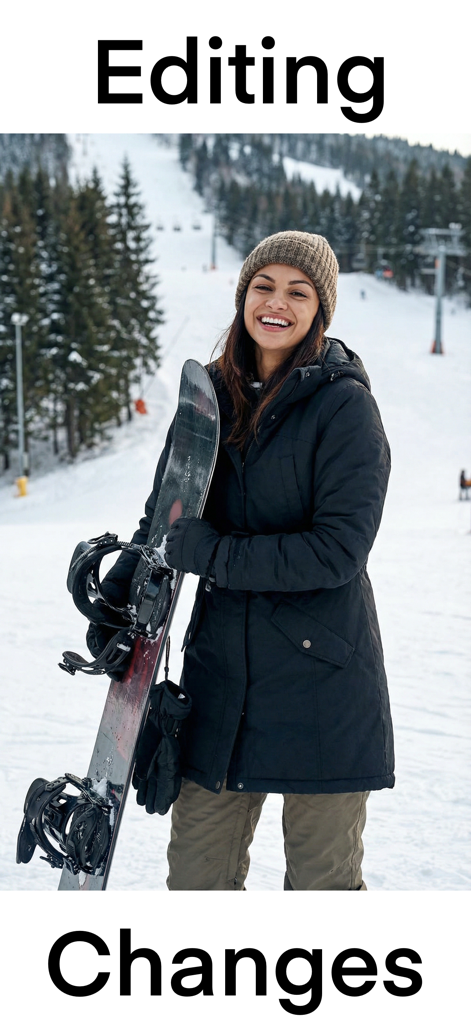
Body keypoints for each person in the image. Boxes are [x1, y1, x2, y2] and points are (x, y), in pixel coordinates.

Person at [99, 230, 394, 891]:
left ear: (320, 310)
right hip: (220, 682)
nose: (276, 303)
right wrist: (118, 599)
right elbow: (165, 517)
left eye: (298, 291)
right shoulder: (210, 399)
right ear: (242, 296)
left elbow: (336, 552)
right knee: (198, 881)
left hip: (323, 683)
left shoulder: (343, 405)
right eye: (263, 286)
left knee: (321, 889)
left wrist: (213, 553)